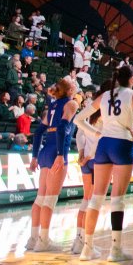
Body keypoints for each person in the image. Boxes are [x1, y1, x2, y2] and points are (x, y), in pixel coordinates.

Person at [74, 65, 133, 261]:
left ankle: (87, 248)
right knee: (117, 199)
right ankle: (115, 250)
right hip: (123, 144)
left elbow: (78, 119)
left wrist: (96, 133)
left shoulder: (104, 96)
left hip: (104, 144)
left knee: (96, 198)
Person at [25, 76, 79, 252]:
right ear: (70, 90)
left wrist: (34, 156)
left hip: (45, 151)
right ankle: (44, 241)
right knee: (50, 199)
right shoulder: (71, 104)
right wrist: (61, 155)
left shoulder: (53, 105)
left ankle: (33, 239)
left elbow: (39, 132)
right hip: (57, 150)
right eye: (74, 84)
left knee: (40, 198)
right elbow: (63, 127)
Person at [71, 104, 101, 255]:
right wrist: (89, 155)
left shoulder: (86, 115)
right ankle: (87, 243)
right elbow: (99, 138)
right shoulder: (104, 115)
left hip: (85, 161)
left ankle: (78, 240)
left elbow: (79, 135)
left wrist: (81, 154)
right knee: (93, 201)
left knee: (86, 198)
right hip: (96, 159)